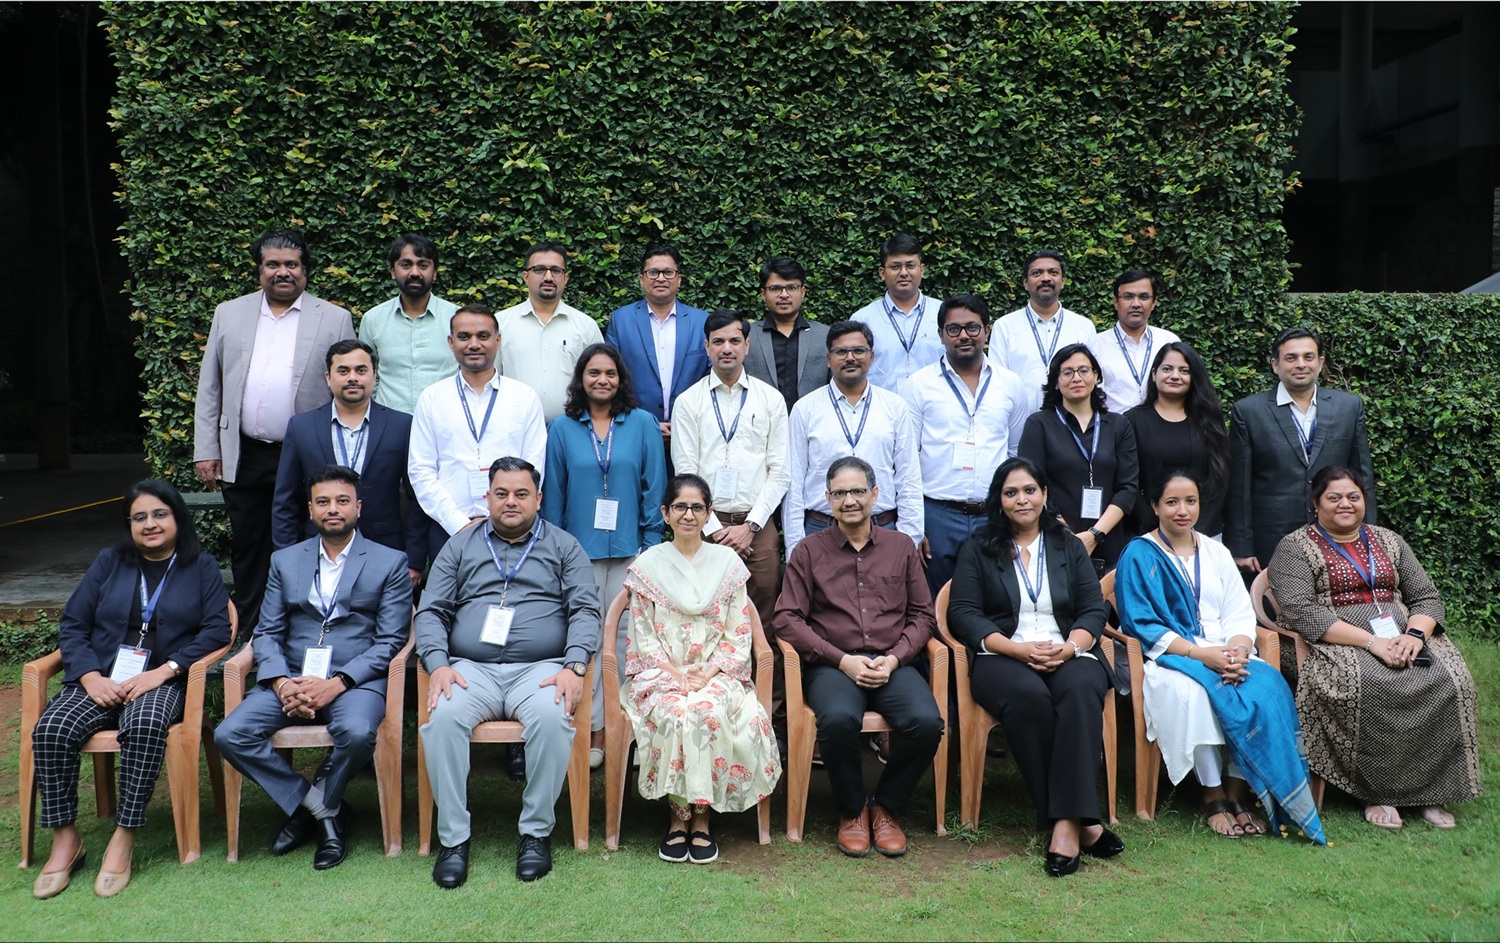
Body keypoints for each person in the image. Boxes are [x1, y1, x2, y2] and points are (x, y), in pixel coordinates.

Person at [30, 480, 232, 899]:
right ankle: (67, 839)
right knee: (52, 728)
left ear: (177, 517)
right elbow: (73, 624)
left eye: (159, 514)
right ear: (129, 525)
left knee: (144, 723)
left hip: (160, 683)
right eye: (139, 517)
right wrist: (89, 677)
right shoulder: (110, 562)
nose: (150, 524)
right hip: (100, 680)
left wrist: (163, 671)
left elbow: (217, 628)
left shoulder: (201, 566)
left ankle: (123, 836)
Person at [215, 465, 413, 870]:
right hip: (290, 676)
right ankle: (322, 809)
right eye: (323, 502)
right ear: (310, 510)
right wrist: (282, 682)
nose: (333, 509)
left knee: (357, 733)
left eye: (342, 501)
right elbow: (266, 632)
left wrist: (336, 683)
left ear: (358, 507)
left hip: (354, 681)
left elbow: (391, 641)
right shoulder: (286, 561)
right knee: (231, 734)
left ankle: (311, 810)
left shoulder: (389, 562)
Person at [418, 457, 602, 886]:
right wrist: (437, 664)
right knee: (441, 716)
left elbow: (586, 610)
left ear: (538, 498)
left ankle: (536, 832)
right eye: (501, 493)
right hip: (470, 670)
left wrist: (574, 666)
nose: (511, 502)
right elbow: (431, 611)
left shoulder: (563, 545)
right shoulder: (460, 545)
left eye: (521, 493)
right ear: (488, 497)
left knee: (554, 717)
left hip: (541, 670)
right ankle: (453, 838)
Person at [1114, 472, 1326, 843]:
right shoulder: (1139, 553)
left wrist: (1239, 651)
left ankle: (1238, 791)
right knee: (1197, 695)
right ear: (1154, 507)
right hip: (1173, 656)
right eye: (1172, 502)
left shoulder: (1216, 551)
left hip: (1228, 649)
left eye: (1191, 501)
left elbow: (1238, 612)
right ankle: (1211, 794)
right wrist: (1202, 655)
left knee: (1268, 687)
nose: (1183, 510)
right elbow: (1140, 623)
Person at [1268, 465, 1480, 830]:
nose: (1345, 504)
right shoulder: (1294, 547)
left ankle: (1431, 793)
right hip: (1332, 638)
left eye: (1353, 496)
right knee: (1373, 682)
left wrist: (1413, 637)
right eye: (1334, 498)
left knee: (1450, 679)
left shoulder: (1389, 540)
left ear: (1364, 500)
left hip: (1401, 633)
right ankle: (1377, 793)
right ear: (1316, 503)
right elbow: (1302, 612)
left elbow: (1427, 597)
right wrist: (1373, 642)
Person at [945, 458, 1121, 877]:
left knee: (1080, 691)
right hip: (1003, 656)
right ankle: (1083, 822)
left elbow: (1093, 610)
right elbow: (964, 614)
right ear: (999, 500)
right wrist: (1016, 650)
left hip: (1068, 651)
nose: (1021, 499)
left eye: (1029, 490)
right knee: (1030, 699)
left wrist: (1070, 649)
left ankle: (1063, 825)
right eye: (1011, 492)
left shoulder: (1069, 546)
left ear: (1044, 494)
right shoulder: (979, 547)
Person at [774, 457, 943, 859]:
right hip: (834, 665)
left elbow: (923, 615)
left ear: (875, 495)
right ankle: (851, 810)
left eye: (858, 491)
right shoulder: (809, 552)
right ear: (828, 499)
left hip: (891, 661)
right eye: (840, 493)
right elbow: (786, 618)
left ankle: (885, 806)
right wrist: (841, 659)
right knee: (837, 720)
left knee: (926, 723)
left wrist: (897, 659)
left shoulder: (901, 547)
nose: (850, 500)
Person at [193, 229, 355, 632]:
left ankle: (302, 631)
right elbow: (210, 384)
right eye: (273, 264)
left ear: (305, 271)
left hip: (307, 454)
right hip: (244, 451)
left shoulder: (334, 318)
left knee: (308, 542)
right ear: (260, 269)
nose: (283, 272)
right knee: (249, 544)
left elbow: (349, 386)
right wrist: (206, 448)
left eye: (292, 265)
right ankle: (251, 634)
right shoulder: (228, 313)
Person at [620, 474, 783, 864]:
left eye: (697, 507)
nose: (688, 515)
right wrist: (674, 675)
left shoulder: (727, 564)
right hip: (662, 675)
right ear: (666, 513)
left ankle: (702, 817)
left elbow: (738, 632)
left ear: (709, 514)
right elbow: (641, 634)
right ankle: (679, 818)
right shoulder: (648, 566)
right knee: (679, 712)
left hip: (719, 674)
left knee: (706, 710)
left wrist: (708, 672)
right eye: (680, 507)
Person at [542, 342, 666, 768]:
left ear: (621, 379)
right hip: (578, 552)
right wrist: (556, 551)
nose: (602, 380)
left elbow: (654, 488)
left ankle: (628, 727)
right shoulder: (561, 428)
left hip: (632, 550)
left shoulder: (643, 423)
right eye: (593, 373)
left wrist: (650, 549)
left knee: (631, 639)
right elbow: (553, 495)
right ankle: (593, 727)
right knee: (587, 638)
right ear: (581, 379)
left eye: (610, 373)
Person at [903, 293, 1029, 596]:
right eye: (953, 329)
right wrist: (914, 526)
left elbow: (1015, 453)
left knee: (996, 598)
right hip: (937, 514)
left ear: (986, 331)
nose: (963, 336)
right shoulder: (918, 385)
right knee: (934, 602)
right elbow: (907, 458)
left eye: (973, 327)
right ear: (941, 335)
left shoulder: (1010, 383)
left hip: (993, 513)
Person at [671, 309, 790, 624]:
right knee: (703, 606)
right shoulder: (688, 402)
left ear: (747, 346)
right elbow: (686, 474)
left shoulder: (770, 399)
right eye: (718, 341)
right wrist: (717, 531)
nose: (727, 348)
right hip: (704, 522)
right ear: (707, 347)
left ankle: (762, 671)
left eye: (735, 340)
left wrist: (749, 529)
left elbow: (780, 472)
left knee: (765, 599)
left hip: (757, 524)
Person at [272, 340, 425, 585]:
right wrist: (287, 558)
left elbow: (417, 496)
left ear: (375, 376)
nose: (352, 377)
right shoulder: (301, 428)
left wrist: (415, 560)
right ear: (328, 377)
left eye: (361, 370)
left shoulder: (402, 425)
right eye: (343, 371)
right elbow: (285, 500)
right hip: (317, 551)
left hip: (386, 549)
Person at [1227, 328, 1376, 573]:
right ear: (1275, 365)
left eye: (1308, 357)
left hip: (1338, 532)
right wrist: (1241, 546)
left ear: (1320, 363)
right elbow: (1238, 485)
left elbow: (1362, 477)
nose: (1301, 364)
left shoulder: (1349, 406)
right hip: (1272, 538)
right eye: (1291, 358)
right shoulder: (1249, 411)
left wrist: (1368, 535)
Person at [409, 303, 547, 560]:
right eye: (464, 337)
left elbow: (534, 468)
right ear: (451, 343)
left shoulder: (524, 397)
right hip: (448, 531)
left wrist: (501, 519)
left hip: (513, 530)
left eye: (483, 336)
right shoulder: (432, 398)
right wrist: (458, 523)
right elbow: (421, 471)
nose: (474, 344)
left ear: (498, 340)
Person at [783, 321, 922, 555]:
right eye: (841, 352)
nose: (850, 358)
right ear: (828, 359)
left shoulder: (894, 407)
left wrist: (910, 540)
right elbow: (794, 482)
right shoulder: (805, 409)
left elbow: (909, 477)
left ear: (871, 356)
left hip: (883, 527)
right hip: (821, 529)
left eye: (858, 351)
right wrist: (795, 547)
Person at [1018, 344, 1139, 573]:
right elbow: (1031, 485)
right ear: (1055, 381)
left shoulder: (1118, 425)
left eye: (1084, 370)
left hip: (1110, 540)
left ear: (1095, 376)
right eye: (1067, 372)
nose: (1077, 378)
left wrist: (1094, 535)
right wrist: (1070, 537)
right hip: (1054, 539)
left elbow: (1128, 487)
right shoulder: (1039, 425)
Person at [604, 244, 711, 447]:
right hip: (635, 433)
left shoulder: (702, 322)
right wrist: (645, 422)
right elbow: (611, 377)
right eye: (653, 272)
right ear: (641, 279)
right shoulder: (621, 320)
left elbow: (710, 376)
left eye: (668, 272)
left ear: (679, 279)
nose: (661, 278)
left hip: (693, 434)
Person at [1124, 341, 1230, 539]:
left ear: (1193, 377)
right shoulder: (1132, 421)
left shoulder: (1209, 420)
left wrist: (1196, 529)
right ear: (1154, 374)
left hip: (1204, 533)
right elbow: (1128, 481)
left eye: (1184, 370)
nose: (1175, 376)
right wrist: (1155, 528)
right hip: (1147, 533)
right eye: (1167, 369)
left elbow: (1219, 477)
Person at [496, 241, 603, 422]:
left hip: (573, 429)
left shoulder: (585, 325)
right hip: (513, 427)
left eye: (556, 270)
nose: (548, 277)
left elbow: (599, 380)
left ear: (565, 278)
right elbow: (489, 379)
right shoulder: (501, 323)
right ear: (525, 276)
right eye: (539, 270)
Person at [357, 233, 459, 414]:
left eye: (423, 265)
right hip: (389, 425)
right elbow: (366, 373)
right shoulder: (373, 319)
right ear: (392, 272)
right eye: (405, 265)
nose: (414, 272)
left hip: (446, 421)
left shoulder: (456, 318)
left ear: (434, 273)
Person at [989, 250, 1097, 412]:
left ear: (1063, 281)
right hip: (1020, 425)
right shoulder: (1005, 326)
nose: (1045, 278)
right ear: (1025, 283)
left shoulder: (1083, 326)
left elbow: (1094, 379)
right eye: (1037, 273)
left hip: (1073, 424)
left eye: (1053, 272)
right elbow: (997, 383)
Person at [848, 233, 944, 397]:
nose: (904, 272)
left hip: (935, 410)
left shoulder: (942, 313)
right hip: (882, 413)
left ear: (922, 269)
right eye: (895, 267)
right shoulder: (863, 319)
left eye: (910, 265)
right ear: (882, 273)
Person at [743, 256, 830, 416]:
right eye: (775, 289)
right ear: (763, 294)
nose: (784, 295)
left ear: (802, 292)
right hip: (762, 430)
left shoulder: (825, 336)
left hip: (813, 428)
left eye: (791, 288)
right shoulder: (746, 337)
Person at [1088, 269, 1180, 413]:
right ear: (1115, 302)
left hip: (1159, 428)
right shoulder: (1096, 344)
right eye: (1128, 297)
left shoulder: (1168, 341)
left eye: (1144, 297)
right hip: (1113, 430)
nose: (1136, 304)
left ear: (1154, 302)